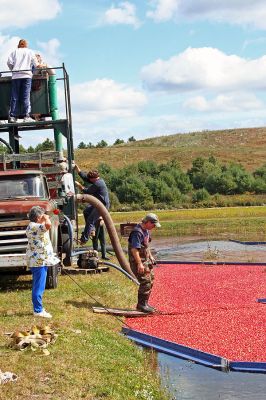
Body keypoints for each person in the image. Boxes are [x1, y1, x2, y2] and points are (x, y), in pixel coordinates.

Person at [26, 206, 60, 318]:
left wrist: (46, 217)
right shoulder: (35, 226)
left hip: (40, 260)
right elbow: (48, 225)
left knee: (39, 285)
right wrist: (46, 218)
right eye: (41, 215)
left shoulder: (34, 226)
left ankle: (38, 308)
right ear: (37, 217)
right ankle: (38, 310)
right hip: (38, 261)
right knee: (38, 286)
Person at [128, 213, 161, 313]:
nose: (154, 227)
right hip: (138, 261)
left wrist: (150, 256)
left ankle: (145, 303)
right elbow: (134, 249)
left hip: (145, 260)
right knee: (145, 282)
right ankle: (141, 305)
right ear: (148, 222)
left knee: (150, 280)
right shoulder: (137, 232)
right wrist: (139, 264)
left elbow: (146, 245)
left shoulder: (146, 231)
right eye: (153, 225)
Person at [74, 163, 110, 244]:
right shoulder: (97, 180)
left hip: (102, 206)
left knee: (90, 220)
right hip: (97, 204)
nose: (89, 180)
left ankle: (84, 239)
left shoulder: (98, 184)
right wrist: (78, 170)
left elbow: (88, 191)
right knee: (86, 212)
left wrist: (79, 185)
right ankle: (92, 230)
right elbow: (86, 178)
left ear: (93, 179)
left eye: (90, 179)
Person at [7, 39, 38, 123]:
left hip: (16, 76)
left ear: (19, 44)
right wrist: (33, 72)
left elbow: (9, 62)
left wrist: (13, 70)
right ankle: (26, 116)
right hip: (27, 75)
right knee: (26, 96)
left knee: (14, 96)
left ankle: (13, 116)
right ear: (26, 45)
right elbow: (36, 64)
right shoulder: (30, 51)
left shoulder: (14, 52)